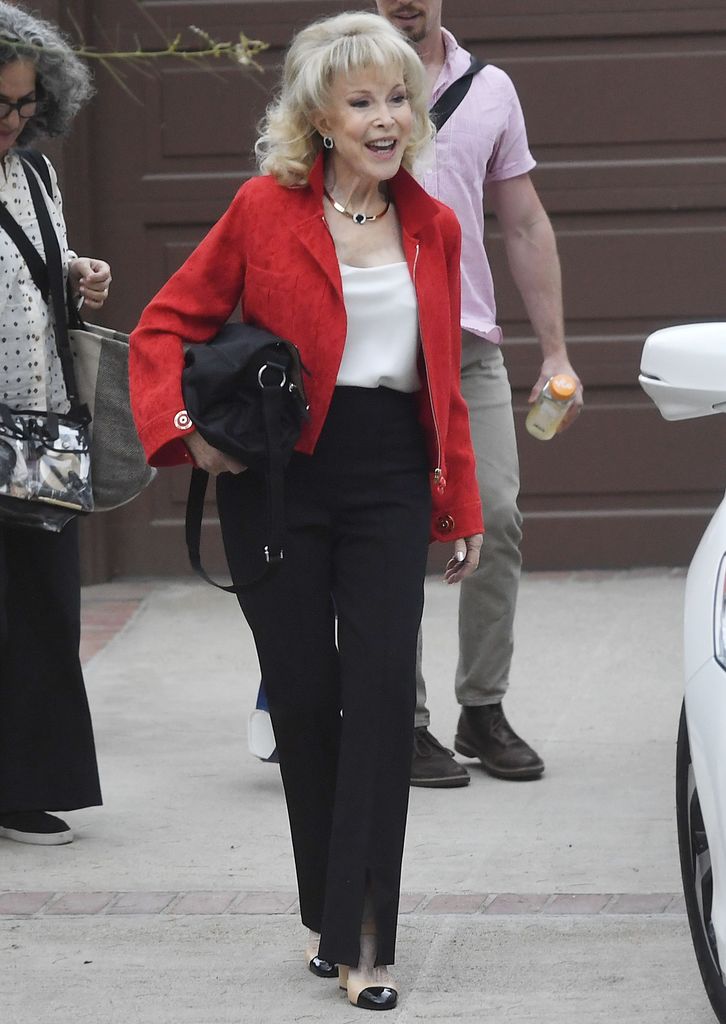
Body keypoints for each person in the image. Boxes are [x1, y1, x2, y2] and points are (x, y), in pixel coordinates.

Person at [130, 11, 482, 1010]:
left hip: (389, 480)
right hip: (280, 480)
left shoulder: (436, 224)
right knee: (302, 697)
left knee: (377, 696)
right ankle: (328, 913)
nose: (387, 117)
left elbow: (442, 383)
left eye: (399, 97)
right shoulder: (262, 209)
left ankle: (366, 938)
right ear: (320, 117)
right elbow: (165, 325)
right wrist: (184, 428)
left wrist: (458, 504)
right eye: (363, 100)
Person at [375, 0, 584, 788]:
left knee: (495, 516)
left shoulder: (490, 88)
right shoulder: (344, 77)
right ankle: (404, 716)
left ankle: (482, 708)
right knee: (391, 534)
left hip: (467, 351)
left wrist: (556, 350)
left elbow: (524, 223)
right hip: (375, 350)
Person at [0, 2, 112, 845]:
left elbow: (40, 276)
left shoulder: (36, 175)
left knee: (44, 609)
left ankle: (29, 785)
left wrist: (78, 277)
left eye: (23, 105)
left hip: (40, 431)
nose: (11, 122)